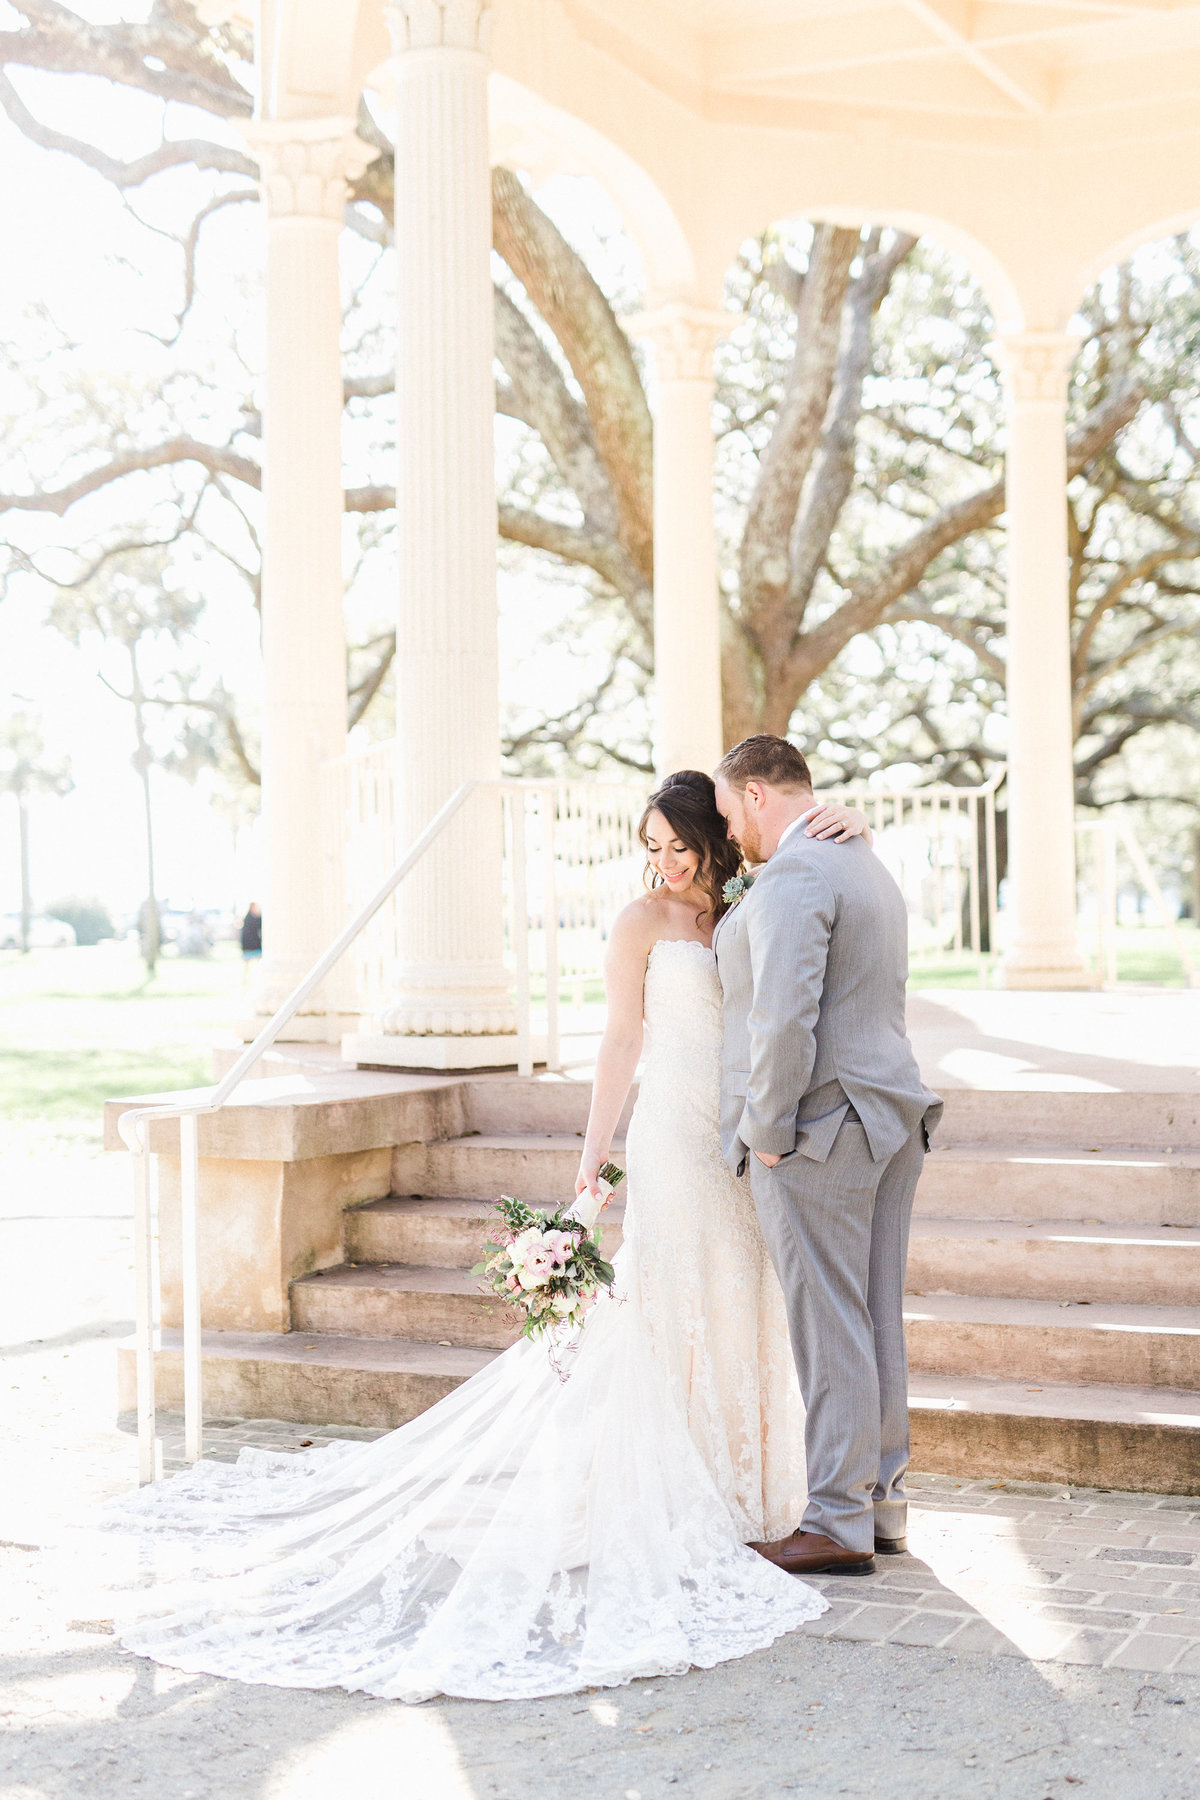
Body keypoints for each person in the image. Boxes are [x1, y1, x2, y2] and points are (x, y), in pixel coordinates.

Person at [104, 773, 869, 1704]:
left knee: (743, 1295)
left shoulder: (748, 901)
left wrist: (852, 822)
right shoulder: (639, 924)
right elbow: (621, 1041)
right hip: (671, 1133)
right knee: (671, 1297)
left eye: (679, 847)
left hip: (739, 1135)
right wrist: (594, 1154)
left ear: (717, 837)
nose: (666, 866)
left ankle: (759, 1492)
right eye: (652, 848)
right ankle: (690, 1491)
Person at [713, 735, 943, 1578]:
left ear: (760, 795)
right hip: (891, 1111)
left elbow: (783, 1018)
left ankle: (836, 1521)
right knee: (874, 1314)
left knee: (831, 1320)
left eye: (733, 812)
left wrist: (767, 1131)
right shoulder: (861, 862)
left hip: (823, 1127)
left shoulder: (798, 873)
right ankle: (882, 1504)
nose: (734, 831)